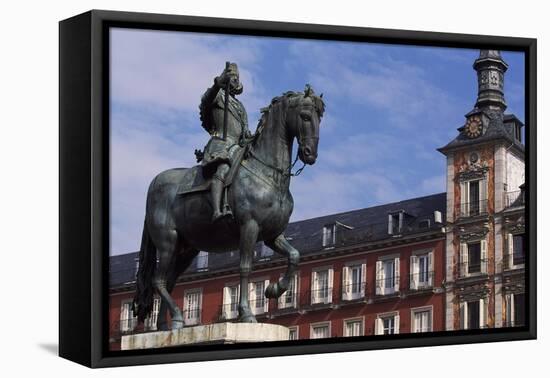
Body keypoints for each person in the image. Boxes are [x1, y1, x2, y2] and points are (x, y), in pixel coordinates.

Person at [197, 62, 251, 222]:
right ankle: (216, 211)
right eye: (232, 77)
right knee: (222, 169)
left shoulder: (240, 107)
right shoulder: (218, 96)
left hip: (238, 147)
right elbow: (205, 102)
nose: (235, 80)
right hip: (222, 144)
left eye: (237, 78)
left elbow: (244, 134)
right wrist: (217, 83)